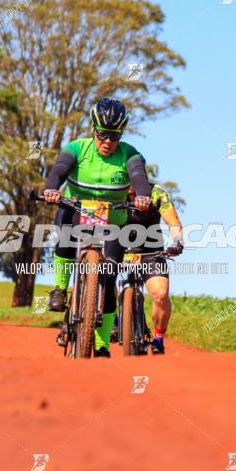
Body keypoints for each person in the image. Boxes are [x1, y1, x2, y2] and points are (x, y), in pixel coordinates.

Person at [43, 98, 151, 358]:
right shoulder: (77, 148)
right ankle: (59, 288)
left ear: (121, 134)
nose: (107, 141)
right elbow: (59, 169)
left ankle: (102, 344)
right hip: (77, 211)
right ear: (93, 129)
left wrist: (143, 195)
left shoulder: (129, 154)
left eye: (114, 136)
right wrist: (51, 189)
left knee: (109, 276)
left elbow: (139, 176)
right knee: (64, 225)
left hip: (113, 220)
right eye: (102, 134)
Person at [119, 183, 184, 354]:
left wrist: (177, 241)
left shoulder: (156, 192)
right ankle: (115, 319)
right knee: (101, 275)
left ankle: (158, 339)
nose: (132, 184)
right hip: (116, 248)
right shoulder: (109, 189)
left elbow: (172, 220)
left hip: (150, 250)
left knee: (161, 294)